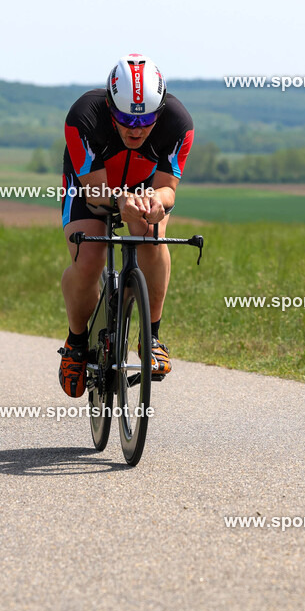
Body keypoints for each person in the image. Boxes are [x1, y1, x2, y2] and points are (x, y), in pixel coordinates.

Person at [57, 54, 194, 398]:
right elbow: (93, 189)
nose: (136, 129)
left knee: (152, 237)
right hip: (92, 184)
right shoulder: (83, 116)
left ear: (161, 111)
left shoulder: (179, 122)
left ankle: (152, 336)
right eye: (124, 119)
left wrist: (156, 202)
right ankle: (76, 342)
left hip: (143, 185)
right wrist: (120, 199)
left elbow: (168, 188)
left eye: (147, 119)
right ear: (109, 105)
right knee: (90, 256)